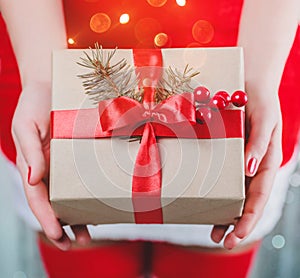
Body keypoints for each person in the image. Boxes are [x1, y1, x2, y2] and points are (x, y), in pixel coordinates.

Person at [0, 0, 299, 277]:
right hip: (51, 50)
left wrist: (258, 78)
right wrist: (43, 79)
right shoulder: (48, 82)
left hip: (244, 60)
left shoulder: (249, 81)